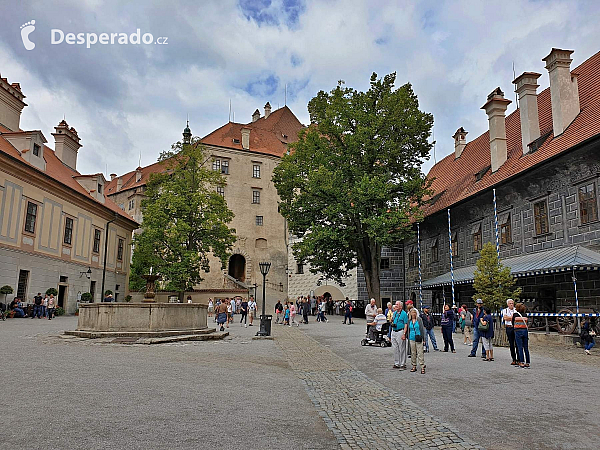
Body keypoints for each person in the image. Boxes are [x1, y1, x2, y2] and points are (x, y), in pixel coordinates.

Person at [391, 301, 408, 370]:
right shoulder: (394, 313)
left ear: (401, 306)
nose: (396, 305)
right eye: (395, 304)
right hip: (394, 331)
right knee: (395, 348)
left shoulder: (404, 314)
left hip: (400, 331)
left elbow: (406, 324)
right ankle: (396, 363)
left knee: (402, 348)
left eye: (397, 304)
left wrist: (404, 334)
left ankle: (403, 363)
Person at [408, 308, 426, 374]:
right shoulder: (409, 321)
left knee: (420, 352)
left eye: (414, 313)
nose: (413, 314)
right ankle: (414, 365)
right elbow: (408, 330)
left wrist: (424, 339)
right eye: (412, 313)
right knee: (413, 353)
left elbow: (422, 329)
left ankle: (422, 366)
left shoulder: (419, 320)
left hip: (418, 337)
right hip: (412, 337)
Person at [512, 303, 530, 368]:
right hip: (525, 331)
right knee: (526, 347)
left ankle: (521, 362)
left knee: (519, 347)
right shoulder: (525, 315)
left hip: (518, 331)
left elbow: (512, 322)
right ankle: (527, 362)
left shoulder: (515, 315)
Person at [501, 299, 518, 365]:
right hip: (509, 327)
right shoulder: (504, 310)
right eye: (510, 303)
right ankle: (514, 359)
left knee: (517, 343)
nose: (511, 304)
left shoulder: (516, 310)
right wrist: (513, 318)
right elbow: (505, 318)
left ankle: (519, 359)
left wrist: (510, 318)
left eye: (512, 303)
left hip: (515, 327)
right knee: (511, 344)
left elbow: (517, 318)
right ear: (508, 304)